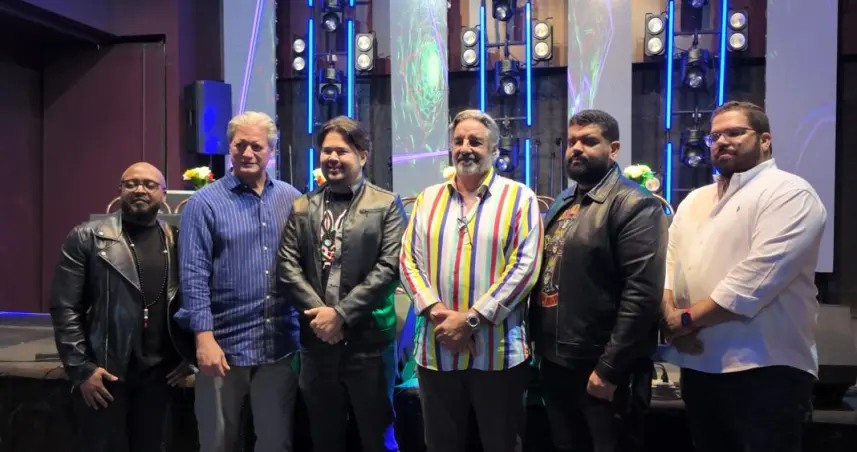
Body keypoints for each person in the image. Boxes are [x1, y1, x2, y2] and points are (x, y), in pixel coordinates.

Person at [661, 101, 826, 452]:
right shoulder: (695, 199)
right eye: (715, 137)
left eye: (734, 133)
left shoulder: (790, 193)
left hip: (766, 368)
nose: (721, 141)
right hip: (698, 365)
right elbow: (668, 266)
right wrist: (671, 320)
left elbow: (754, 282)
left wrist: (682, 322)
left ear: (765, 140)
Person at [399, 109, 543, 452]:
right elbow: (408, 261)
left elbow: (525, 268)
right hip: (436, 350)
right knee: (440, 445)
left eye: (475, 141)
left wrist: (470, 321)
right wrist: (438, 314)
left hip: (497, 353)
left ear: (493, 150)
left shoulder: (519, 197)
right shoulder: (428, 198)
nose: (465, 148)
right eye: (459, 141)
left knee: (501, 444)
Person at [530, 110, 667, 452]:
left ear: (613, 149)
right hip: (557, 363)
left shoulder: (635, 203)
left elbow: (642, 295)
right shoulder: (564, 201)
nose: (576, 148)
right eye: (572, 141)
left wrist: (609, 369)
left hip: (602, 369)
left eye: (589, 141)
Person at [175, 111, 302, 452]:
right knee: (218, 443)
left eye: (256, 146)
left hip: (278, 344)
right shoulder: (204, 203)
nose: (247, 153)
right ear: (229, 147)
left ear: (271, 151)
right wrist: (203, 338)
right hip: (223, 346)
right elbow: (193, 274)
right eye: (239, 145)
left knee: (276, 442)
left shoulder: (291, 198)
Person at [277, 116, 405, 452]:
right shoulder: (302, 206)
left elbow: (390, 267)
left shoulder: (386, 204)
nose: (332, 158)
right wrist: (323, 319)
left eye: (342, 151)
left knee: (378, 438)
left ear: (362, 155)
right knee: (324, 439)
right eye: (326, 151)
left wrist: (341, 315)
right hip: (317, 345)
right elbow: (287, 267)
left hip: (369, 345)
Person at [49, 162, 195, 452]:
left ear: (164, 194)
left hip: (161, 376)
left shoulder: (177, 240)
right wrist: (81, 369)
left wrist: (188, 355)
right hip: (106, 374)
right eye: (131, 183)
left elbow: (193, 300)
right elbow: (65, 307)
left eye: (149, 184)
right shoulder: (87, 236)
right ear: (120, 190)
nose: (140, 189)